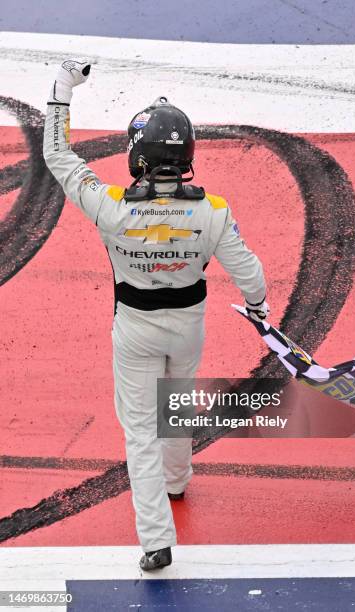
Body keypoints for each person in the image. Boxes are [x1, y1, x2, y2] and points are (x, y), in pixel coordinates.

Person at [43, 59, 268, 571]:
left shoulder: (110, 206)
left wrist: (61, 89)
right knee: (178, 400)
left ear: (136, 156)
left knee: (140, 431)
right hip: (188, 324)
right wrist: (258, 309)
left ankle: (156, 542)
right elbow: (249, 272)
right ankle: (178, 481)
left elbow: (57, 155)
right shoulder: (214, 210)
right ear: (187, 155)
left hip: (135, 328)